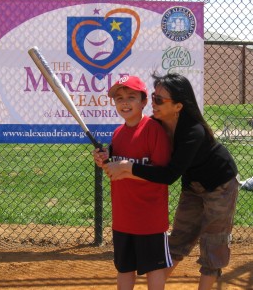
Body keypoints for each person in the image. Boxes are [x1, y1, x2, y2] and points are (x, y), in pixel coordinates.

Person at [99, 73, 239, 290]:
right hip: (193, 184)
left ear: (178, 106)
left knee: (213, 241)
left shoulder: (194, 131)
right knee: (179, 239)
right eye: (153, 97)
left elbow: (168, 175)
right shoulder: (156, 123)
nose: (153, 104)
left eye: (159, 100)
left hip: (220, 183)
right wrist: (108, 153)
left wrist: (129, 168)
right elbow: (131, 143)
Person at [93, 75, 173, 290]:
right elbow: (115, 171)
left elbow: (162, 173)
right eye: (119, 98)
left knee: (154, 268)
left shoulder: (153, 129)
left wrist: (127, 171)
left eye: (131, 97)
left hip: (150, 218)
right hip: (123, 218)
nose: (125, 102)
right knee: (124, 268)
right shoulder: (118, 134)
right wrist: (104, 160)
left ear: (144, 101)